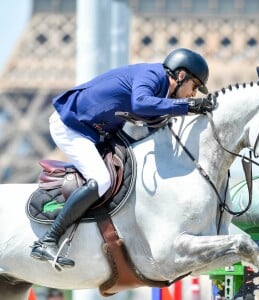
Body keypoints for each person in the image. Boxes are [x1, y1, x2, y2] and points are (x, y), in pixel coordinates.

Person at [30, 47, 214, 268]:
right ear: (181, 75)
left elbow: (152, 121)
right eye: (194, 87)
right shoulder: (152, 75)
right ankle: (48, 240)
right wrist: (187, 106)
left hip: (96, 130)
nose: (193, 94)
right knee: (101, 179)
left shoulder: (160, 87)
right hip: (70, 126)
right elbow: (140, 103)